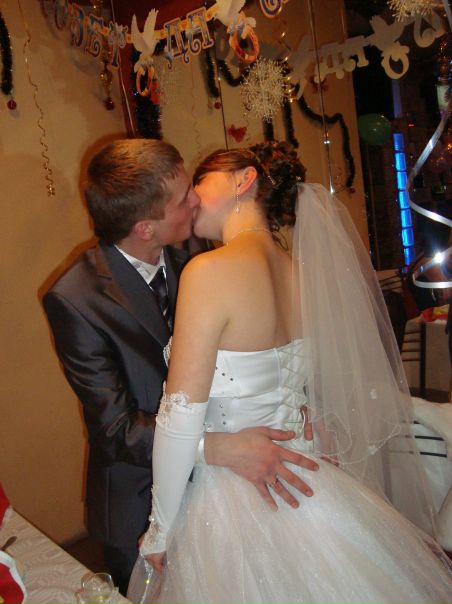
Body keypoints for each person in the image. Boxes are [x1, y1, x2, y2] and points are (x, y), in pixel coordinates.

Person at [129, 142, 452, 604]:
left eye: (201, 180)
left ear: (243, 180)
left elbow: (180, 417)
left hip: (234, 496)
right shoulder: (301, 275)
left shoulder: (208, 271)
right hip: (305, 478)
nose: (193, 196)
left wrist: (160, 530)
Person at [42, 139, 318, 595]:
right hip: (140, 497)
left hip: (246, 488)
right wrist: (220, 448)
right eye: (183, 196)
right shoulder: (75, 298)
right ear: (145, 227)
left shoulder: (203, 244)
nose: (196, 200)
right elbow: (115, 428)